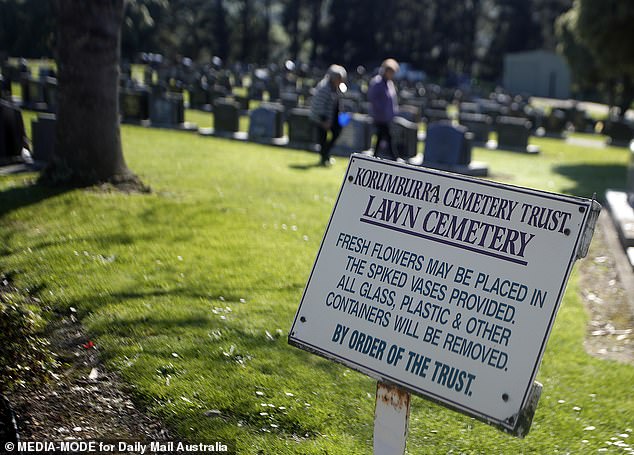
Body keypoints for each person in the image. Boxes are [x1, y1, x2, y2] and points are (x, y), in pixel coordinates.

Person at [309, 64, 347, 166]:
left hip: (332, 117)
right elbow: (319, 106)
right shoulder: (324, 88)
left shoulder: (335, 88)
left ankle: (326, 155)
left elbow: (337, 102)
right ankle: (324, 157)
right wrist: (324, 120)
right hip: (322, 118)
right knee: (323, 139)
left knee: (335, 133)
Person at [367, 58, 400, 160]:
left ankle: (375, 156)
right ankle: (394, 158)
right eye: (391, 72)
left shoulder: (389, 83)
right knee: (388, 137)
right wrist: (381, 110)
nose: (392, 75)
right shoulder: (377, 82)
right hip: (380, 117)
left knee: (380, 137)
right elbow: (373, 98)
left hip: (387, 117)